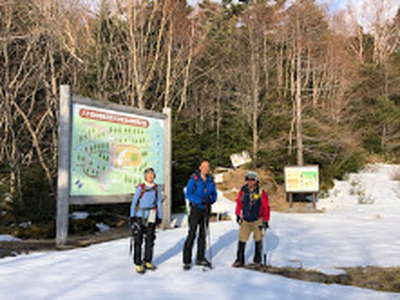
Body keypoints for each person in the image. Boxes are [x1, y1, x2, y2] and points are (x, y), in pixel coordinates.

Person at [182, 160, 217, 270]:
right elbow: (188, 194)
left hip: (206, 209)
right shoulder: (194, 179)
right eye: (204, 166)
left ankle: (200, 257)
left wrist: (210, 200)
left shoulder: (210, 180)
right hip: (196, 209)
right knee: (192, 233)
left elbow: (214, 194)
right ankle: (187, 260)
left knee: (203, 234)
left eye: (207, 167)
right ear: (200, 167)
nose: (206, 169)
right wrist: (199, 200)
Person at [232, 171, 270, 267]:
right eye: (248, 180)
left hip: (258, 219)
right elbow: (239, 203)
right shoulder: (243, 191)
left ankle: (257, 260)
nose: (250, 182)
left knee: (258, 239)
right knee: (242, 239)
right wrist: (237, 214)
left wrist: (265, 220)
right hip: (245, 219)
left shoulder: (261, 192)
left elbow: (266, 207)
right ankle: (239, 260)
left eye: (252, 180)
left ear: (256, 181)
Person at [130, 168, 163, 274]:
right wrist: (132, 216)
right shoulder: (141, 187)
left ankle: (148, 260)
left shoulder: (156, 188)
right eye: (149, 175)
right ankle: (138, 263)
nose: (151, 176)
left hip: (152, 215)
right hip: (140, 215)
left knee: (150, 239)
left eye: (152, 174)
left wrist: (159, 216)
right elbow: (134, 202)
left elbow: (159, 202)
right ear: (145, 176)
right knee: (138, 240)